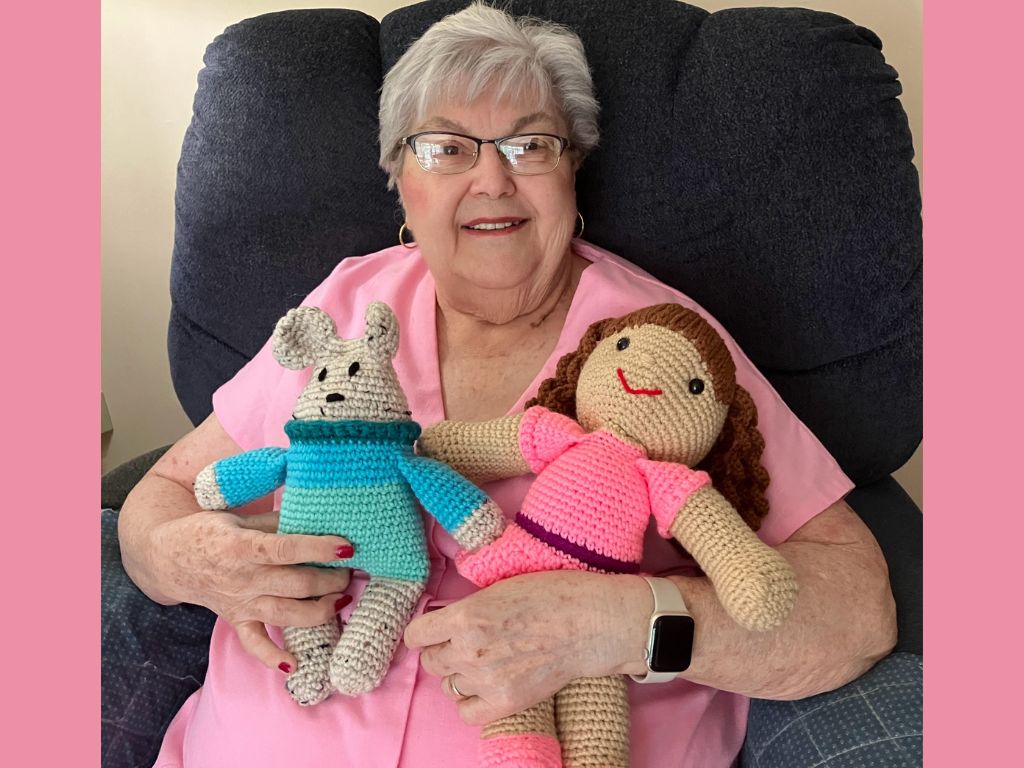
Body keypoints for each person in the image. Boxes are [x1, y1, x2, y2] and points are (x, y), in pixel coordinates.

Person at [108, 4, 896, 767]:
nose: (492, 179)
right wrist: (196, 561)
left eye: (530, 147)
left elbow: (856, 607)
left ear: (572, 172)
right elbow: (164, 492)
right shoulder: (344, 304)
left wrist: (621, 622)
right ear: (401, 183)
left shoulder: (657, 346)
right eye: (446, 147)